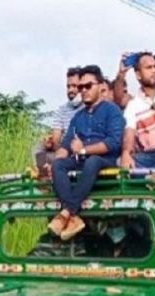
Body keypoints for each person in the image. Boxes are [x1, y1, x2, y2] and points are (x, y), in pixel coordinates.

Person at [50, 65, 126, 241]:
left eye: (88, 86)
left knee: (93, 161)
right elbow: (66, 143)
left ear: (100, 86)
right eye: (80, 87)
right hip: (81, 160)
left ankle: (67, 211)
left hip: (105, 160)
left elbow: (114, 142)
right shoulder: (78, 116)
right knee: (58, 164)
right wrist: (56, 159)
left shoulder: (112, 110)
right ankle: (74, 217)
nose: (83, 90)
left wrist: (84, 149)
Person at [44, 67, 84, 151]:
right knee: (38, 148)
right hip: (64, 149)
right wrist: (51, 143)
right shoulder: (62, 110)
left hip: (84, 149)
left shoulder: (89, 107)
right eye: (68, 86)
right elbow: (56, 139)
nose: (70, 90)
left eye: (74, 86)